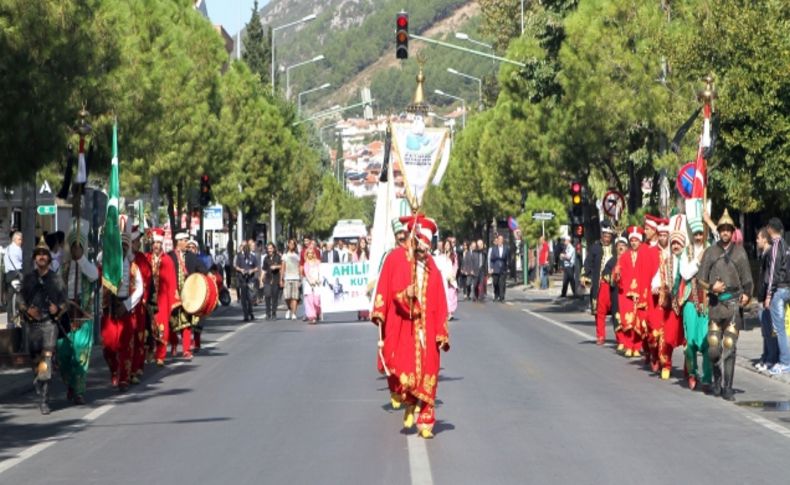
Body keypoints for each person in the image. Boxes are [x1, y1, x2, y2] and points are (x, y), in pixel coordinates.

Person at [371, 215, 449, 439]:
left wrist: (441, 332)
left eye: (427, 248)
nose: (423, 252)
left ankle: (426, 421)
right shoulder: (399, 260)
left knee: (429, 373)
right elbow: (393, 291)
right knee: (407, 371)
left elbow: (440, 301)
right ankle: (409, 402)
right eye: (420, 246)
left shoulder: (433, 268)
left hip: (429, 329)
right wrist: (407, 295)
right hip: (407, 326)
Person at [698, 209, 753, 400]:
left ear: (732, 231)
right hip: (715, 305)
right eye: (722, 229)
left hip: (732, 306)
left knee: (729, 345)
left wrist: (747, 296)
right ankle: (716, 377)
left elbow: (747, 281)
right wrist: (712, 287)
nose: (725, 232)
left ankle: (728, 387)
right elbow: (700, 279)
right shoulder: (711, 252)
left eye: (729, 229)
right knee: (713, 347)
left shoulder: (739, 253)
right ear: (719, 230)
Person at [17, 236, 67, 414]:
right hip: (33, 326)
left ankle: (44, 400)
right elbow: (20, 300)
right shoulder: (28, 279)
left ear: (49, 258)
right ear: (34, 258)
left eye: (44, 254)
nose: (41, 257)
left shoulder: (56, 279)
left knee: (46, 360)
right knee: (36, 361)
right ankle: (39, 380)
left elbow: (64, 302)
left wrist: (57, 309)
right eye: (38, 254)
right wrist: (26, 310)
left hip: (49, 325)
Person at [57, 219, 99, 404]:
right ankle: (71, 385)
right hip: (66, 315)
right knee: (64, 354)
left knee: (80, 353)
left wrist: (80, 258)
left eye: (79, 246)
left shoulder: (88, 265)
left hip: (83, 316)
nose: (75, 249)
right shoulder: (63, 267)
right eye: (73, 246)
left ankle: (79, 390)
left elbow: (94, 275)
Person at [101, 232, 143, 391]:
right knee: (108, 346)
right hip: (110, 309)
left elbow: (140, 289)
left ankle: (124, 378)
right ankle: (114, 371)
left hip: (126, 307)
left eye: (126, 246)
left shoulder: (133, 267)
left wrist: (126, 305)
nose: (123, 249)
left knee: (126, 346)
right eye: (121, 246)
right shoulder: (108, 264)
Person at [678, 227, 712, 390]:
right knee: (690, 342)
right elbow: (685, 273)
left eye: (701, 233)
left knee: (707, 341)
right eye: (696, 234)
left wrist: (709, 221)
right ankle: (692, 373)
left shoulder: (712, 248)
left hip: (707, 303)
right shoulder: (687, 251)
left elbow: (725, 237)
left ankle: (707, 376)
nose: (699, 237)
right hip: (691, 301)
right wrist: (698, 259)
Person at [653, 227, 686, 379]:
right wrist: (657, 286)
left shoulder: (688, 261)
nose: (676, 246)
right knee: (667, 337)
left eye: (678, 243)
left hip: (687, 304)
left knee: (689, 339)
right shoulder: (666, 261)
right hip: (671, 305)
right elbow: (659, 277)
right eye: (673, 244)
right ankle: (666, 364)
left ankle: (689, 368)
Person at [613, 226, 651, 358]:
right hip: (626, 293)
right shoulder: (625, 256)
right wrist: (616, 273)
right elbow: (617, 269)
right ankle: (629, 345)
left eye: (636, 240)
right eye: (632, 240)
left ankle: (637, 346)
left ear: (640, 241)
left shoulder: (645, 253)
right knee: (628, 320)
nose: (634, 243)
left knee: (639, 321)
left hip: (641, 291)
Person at [147, 228, 178, 366]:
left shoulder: (167, 261)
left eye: (159, 244)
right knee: (147, 326)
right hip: (148, 298)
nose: (156, 246)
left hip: (162, 299)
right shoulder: (147, 258)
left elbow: (171, 282)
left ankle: (161, 354)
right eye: (154, 243)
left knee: (162, 326)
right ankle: (149, 351)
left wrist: (173, 300)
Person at [755, 227, 778, 373]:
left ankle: (770, 359)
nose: (756, 241)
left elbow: (768, 278)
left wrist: (765, 296)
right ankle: (766, 356)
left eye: (758, 238)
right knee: (765, 331)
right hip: (762, 297)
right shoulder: (764, 254)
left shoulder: (769, 254)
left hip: (766, 298)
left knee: (769, 331)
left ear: (764, 238)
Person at [130, 229, 152, 382]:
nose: (138, 243)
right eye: (136, 240)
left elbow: (147, 279)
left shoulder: (142, 259)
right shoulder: (122, 259)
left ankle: (137, 368)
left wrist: (143, 299)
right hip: (123, 304)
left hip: (139, 305)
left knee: (139, 337)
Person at [598, 235, 627, 347]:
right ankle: (621, 339)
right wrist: (613, 276)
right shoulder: (612, 260)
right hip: (616, 291)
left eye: (623, 246)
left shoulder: (631, 258)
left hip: (629, 292)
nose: (621, 248)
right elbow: (605, 273)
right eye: (619, 246)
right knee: (616, 315)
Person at [583, 222, 615, 313]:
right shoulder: (595, 248)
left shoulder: (614, 249)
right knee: (599, 312)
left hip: (611, 282)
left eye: (609, 237)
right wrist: (585, 275)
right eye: (605, 237)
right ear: (602, 236)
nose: (607, 239)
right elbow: (588, 262)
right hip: (598, 282)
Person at [234, 240, 258, 322]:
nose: (244, 249)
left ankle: (250, 312)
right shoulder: (239, 256)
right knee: (244, 299)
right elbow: (236, 266)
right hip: (242, 280)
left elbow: (256, 267)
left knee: (250, 297)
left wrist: (251, 270)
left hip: (250, 280)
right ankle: (246, 315)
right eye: (243, 247)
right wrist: (241, 270)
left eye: (246, 247)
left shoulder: (252, 256)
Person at [435, 239, 458, 320]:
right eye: (446, 244)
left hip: (451, 277)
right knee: (444, 295)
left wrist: (453, 275)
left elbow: (455, 266)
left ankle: (450, 312)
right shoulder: (441, 255)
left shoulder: (454, 255)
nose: (447, 246)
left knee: (451, 295)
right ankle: (445, 312)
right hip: (443, 277)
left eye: (448, 245)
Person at [4, 230, 23, 320]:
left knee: (10, 297)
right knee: (20, 293)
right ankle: (20, 314)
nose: (21, 242)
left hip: (9, 275)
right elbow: (23, 260)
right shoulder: (18, 249)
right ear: (14, 239)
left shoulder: (6, 249)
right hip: (17, 274)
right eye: (19, 239)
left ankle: (10, 318)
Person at [261, 242, 282, 320]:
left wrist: (276, 267)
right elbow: (264, 269)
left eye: (271, 248)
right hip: (267, 279)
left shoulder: (278, 257)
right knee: (267, 296)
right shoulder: (265, 258)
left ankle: (274, 313)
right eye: (268, 248)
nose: (269, 250)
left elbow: (282, 266)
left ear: (274, 249)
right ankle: (267, 313)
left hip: (276, 279)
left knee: (275, 297)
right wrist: (261, 279)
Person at [281, 239, 301, 321]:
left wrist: (300, 278)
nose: (292, 245)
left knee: (295, 297)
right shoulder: (285, 255)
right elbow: (283, 267)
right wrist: (281, 278)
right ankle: (289, 308)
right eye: (290, 243)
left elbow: (299, 267)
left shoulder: (297, 255)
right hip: (287, 278)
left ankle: (294, 313)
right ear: (288, 245)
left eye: (293, 244)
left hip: (296, 278)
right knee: (287, 297)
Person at [302, 248, 321, 324]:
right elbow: (307, 274)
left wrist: (318, 280)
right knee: (309, 300)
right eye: (308, 253)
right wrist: (311, 281)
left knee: (317, 301)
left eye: (311, 253)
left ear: (314, 254)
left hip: (317, 283)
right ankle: (312, 317)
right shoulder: (306, 264)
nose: (310, 254)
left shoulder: (318, 262)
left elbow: (321, 272)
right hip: (309, 284)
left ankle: (318, 312)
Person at [488, 234, 509, 302]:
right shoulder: (494, 249)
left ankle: (502, 297)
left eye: (501, 240)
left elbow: (507, 259)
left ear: (503, 241)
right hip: (495, 267)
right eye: (499, 239)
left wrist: (507, 267)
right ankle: (496, 295)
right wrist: (491, 268)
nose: (500, 241)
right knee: (495, 282)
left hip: (503, 267)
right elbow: (491, 259)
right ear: (497, 240)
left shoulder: (506, 248)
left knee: (502, 283)